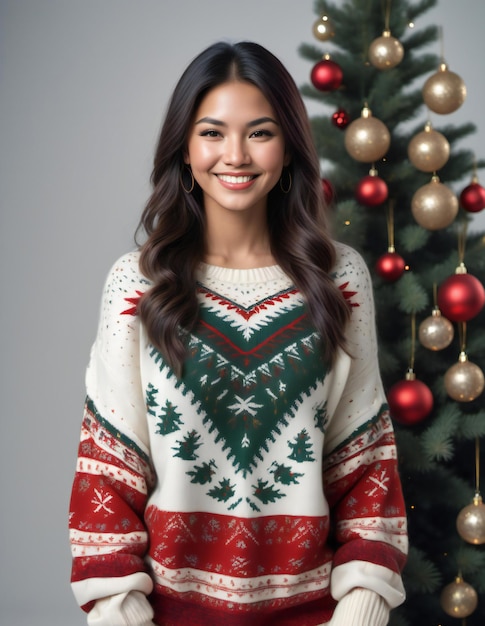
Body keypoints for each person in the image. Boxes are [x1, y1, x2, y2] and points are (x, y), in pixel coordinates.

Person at [69, 41, 408, 626]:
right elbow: (106, 473)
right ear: (183, 148)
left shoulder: (339, 278)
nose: (235, 155)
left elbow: (367, 467)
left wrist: (359, 612)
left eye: (259, 132)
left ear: (289, 146)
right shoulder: (137, 284)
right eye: (211, 132)